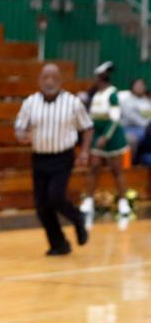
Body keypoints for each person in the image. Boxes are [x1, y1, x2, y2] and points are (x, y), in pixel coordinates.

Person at [14, 64, 93, 255]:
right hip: (39, 157)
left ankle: (77, 218)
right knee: (42, 207)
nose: (49, 81)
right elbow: (19, 127)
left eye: (53, 77)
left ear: (60, 79)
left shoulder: (73, 103)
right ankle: (59, 244)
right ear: (39, 80)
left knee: (56, 197)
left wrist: (84, 152)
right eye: (45, 77)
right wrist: (21, 135)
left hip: (62, 156)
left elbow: (87, 127)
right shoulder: (30, 102)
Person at [80, 62, 132, 223]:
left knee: (116, 170)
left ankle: (124, 203)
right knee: (94, 167)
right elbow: (93, 117)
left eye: (97, 78)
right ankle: (88, 201)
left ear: (102, 78)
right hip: (98, 135)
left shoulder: (112, 93)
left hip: (112, 136)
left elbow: (115, 118)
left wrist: (106, 137)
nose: (95, 80)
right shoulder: (96, 95)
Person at [119, 77, 151, 154]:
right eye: (137, 85)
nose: (140, 87)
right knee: (131, 139)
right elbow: (131, 117)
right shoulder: (126, 100)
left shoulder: (147, 101)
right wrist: (147, 125)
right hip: (129, 129)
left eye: (142, 85)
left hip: (146, 129)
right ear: (132, 87)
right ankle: (132, 162)